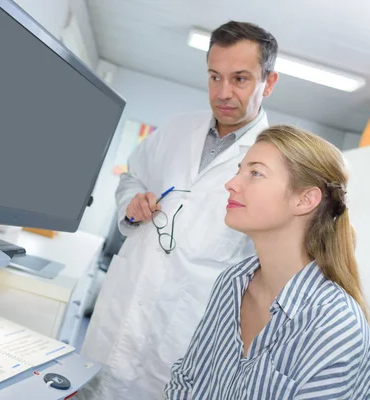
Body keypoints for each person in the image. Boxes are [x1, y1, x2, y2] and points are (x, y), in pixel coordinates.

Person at [78, 21, 279, 399]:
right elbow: (131, 178)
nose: (223, 92)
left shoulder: (273, 162)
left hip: (179, 342)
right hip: (117, 319)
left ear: (268, 83)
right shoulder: (175, 131)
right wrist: (132, 203)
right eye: (214, 77)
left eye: (240, 79)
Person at [165, 125, 370, 399]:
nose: (231, 183)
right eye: (239, 170)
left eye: (255, 173)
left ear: (305, 200)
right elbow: (187, 380)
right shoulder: (232, 283)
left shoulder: (336, 328)